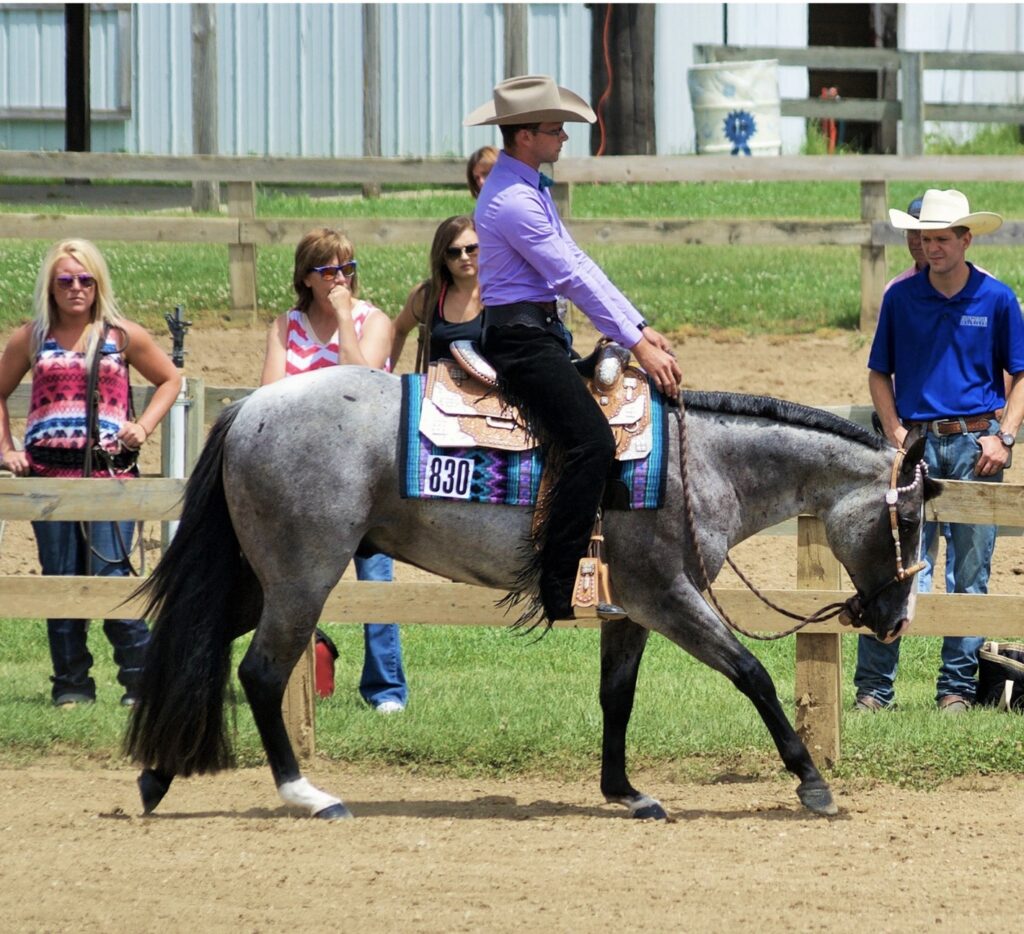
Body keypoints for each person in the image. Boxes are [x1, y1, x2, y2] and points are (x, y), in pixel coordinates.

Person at [463, 74, 682, 624]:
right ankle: (559, 584)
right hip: (520, 339)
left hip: (536, 332)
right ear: (524, 137)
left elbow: (578, 263)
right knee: (591, 442)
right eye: (554, 128)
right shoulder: (515, 200)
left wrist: (637, 325)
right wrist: (637, 342)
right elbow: (569, 277)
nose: (564, 136)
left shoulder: (527, 188)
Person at [855, 189, 1024, 714]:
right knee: (898, 564)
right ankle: (874, 690)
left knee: (971, 571)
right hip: (918, 444)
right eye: (925, 238)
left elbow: (1020, 374)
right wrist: (895, 432)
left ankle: (955, 689)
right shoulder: (901, 298)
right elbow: (879, 372)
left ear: (965, 239)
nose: (932, 248)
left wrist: (1005, 437)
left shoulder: (997, 298)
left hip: (976, 445)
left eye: (943, 239)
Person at [0, 239, 181, 707]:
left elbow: (170, 379)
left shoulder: (121, 337)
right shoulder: (32, 337)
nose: (76, 288)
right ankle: (71, 684)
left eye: (85, 279)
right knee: (60, 578)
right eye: (65, 280)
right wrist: (6, 448)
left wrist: (143, 426)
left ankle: (141, 683)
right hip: (49, 481)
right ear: (51, 287)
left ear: (98, 284)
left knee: (112, 573)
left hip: (111, 478)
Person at [260, 226, 408, 714]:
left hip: (365, 478)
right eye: (329, 270)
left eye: (348, 267)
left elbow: (362, 381)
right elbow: (269, 395)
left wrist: (345, 316)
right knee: (288, 584)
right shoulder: (286, 326)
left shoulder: (374, 320)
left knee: (376, 580)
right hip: (301, 478)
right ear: (307, 278)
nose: (341, 277)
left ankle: (386, 690)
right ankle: (281, 679)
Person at [392, 215, 482, 371]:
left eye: (471, 249)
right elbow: (397, 330)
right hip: (437, 391)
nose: (464, 257)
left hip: (490, 391)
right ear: (443, 257)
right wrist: (385, 374)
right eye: (454, 252)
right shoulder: (427, 296)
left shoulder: (498, 294)